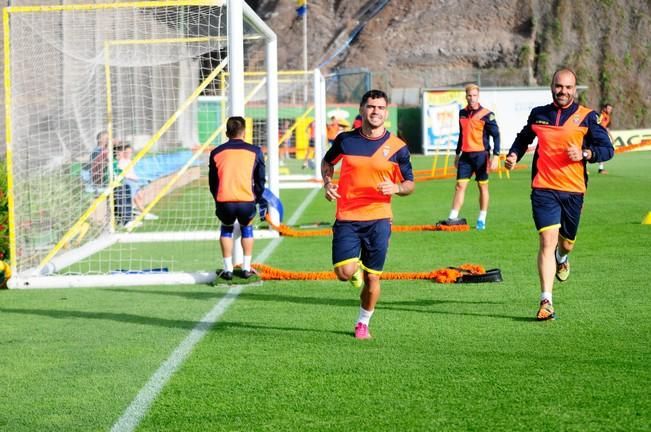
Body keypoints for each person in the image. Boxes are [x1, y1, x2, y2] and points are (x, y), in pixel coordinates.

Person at [504, 68, 614, 321]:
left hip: (573, 191)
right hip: (543, 188)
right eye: (558, 86)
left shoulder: (587, 117)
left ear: (575, 89)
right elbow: (523, 138)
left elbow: (607, 149)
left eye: (568, 87)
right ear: (552, 86)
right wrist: (513, 155)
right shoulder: (539, 114)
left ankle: (563, 259)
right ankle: (546, 301)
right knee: (546, 242)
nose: (562, 91)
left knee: (565, 244)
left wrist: (586, 155)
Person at [321, 89, 415, 340]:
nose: (376, 111)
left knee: (373, 279)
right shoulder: (345, 140)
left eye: (381, 108)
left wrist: (396, 187)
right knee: (343, 273)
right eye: (371, 107)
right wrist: (327, 183)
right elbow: (328, 162)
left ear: (386, 112)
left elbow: (409, 184)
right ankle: (355, 271)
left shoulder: (398, 147)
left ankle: (363, 322)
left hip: (379, 218)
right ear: (362, 110)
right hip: (348, 216)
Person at [209, 116, 266, 280]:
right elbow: (261, 179)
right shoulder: (255, 151)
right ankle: (246, 267)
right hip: (246, 201)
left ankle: (227, 269)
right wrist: (257, 198)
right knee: (247, 228)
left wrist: (217, 198)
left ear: (226, 132)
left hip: (224, 201)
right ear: (245, 132)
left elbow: (213, 181)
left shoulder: (216, 152)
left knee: (226, 229)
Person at [441, 83, 500, 230]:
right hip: (465, 156)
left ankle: (482, 218)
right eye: (469, 95)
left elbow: (496, 136)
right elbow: (461, 135)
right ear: (465, 96)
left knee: (482, 187)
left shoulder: (487, 114)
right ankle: (453, 217)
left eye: (474, 96)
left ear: (478, 96)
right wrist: (457, 154)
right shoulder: (462, 113)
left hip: (482, 156)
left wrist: (496, 156)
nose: (472, 98)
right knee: (460, 186)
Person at [114, 143, 158, 222]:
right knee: (134, 199)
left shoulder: (128, 160)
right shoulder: (121, 161)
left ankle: (138, 212)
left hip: (134, 181)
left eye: (130, 152)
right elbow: (118, 157)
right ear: (122, 152)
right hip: (129, 181)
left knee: (140, 196)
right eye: (127, 152)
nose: (129, 154)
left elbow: (132, 171)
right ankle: (142, 214)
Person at [597, 103, 613, 174]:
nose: (609, 110)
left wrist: (611, 136)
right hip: (598, 135)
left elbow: (606, 127)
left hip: (602, 135)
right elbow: (598, 123)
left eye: (611, 109)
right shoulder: (602, 115)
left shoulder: (608, 117)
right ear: (605, 108)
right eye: (608, 108)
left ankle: (601, 169)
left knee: (601, 150)